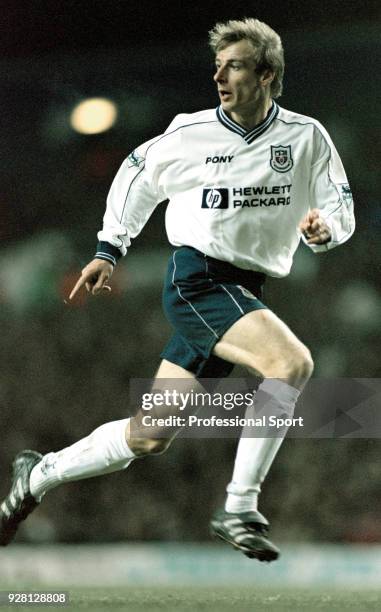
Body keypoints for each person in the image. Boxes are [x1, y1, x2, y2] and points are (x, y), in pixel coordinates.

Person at [0, 17, 354, 561]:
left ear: (266, 73)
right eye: (217, 66)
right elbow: (136, 175)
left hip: (245, 289)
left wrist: (326, 231)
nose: (220, 75)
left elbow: (339, 205)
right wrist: (108, 247)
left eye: (234, 65)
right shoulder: (191, 133)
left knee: (149, 435)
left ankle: (38, 473)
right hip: (198, 281)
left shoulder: (306, 138)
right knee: (291, 364)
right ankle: (240, 505)